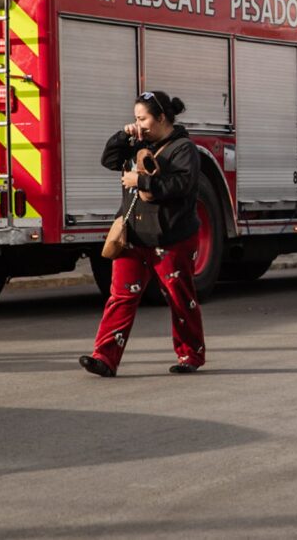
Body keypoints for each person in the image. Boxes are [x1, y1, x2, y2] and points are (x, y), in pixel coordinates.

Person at [79, 90, 206, 377]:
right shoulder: (136, 143)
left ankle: (190, 355)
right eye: (136, 118)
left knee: (179, 298)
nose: (139, 124)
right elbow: (108, 160)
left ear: (161, 117)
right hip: (133, 236)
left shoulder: (183, 148)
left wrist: (142, 180)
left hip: (171, 239)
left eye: (143, 118)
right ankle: (105, 357)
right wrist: (123, 137)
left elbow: (182, 186)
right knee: (120, 296)